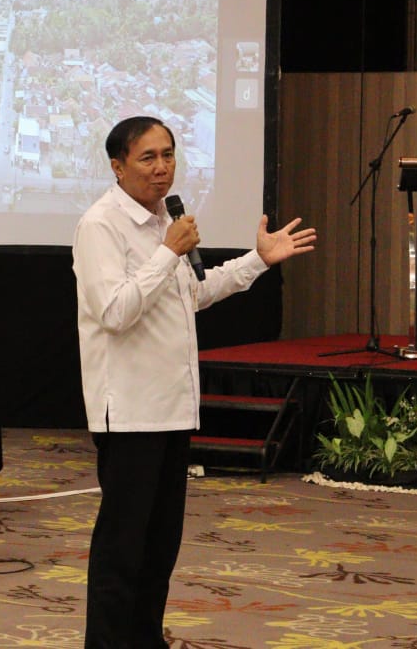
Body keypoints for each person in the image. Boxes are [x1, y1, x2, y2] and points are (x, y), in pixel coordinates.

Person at [73, 116, 315, 649]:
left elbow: (194, 295)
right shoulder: (101, 226)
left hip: (174, 407)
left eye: (168, 155)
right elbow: (114, 311)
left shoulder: (167, 221)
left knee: (159, 546)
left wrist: (258, 260)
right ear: (117, 167)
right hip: (131, 410)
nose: (162, 169)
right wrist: (168, 253)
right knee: (122, 546)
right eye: (147, 158)